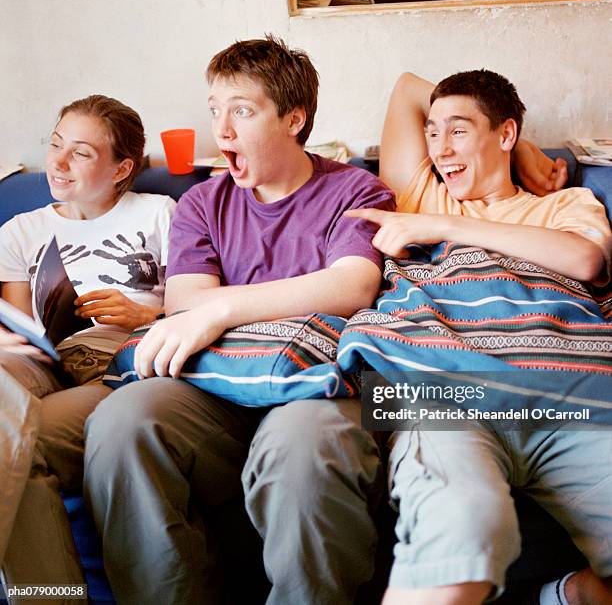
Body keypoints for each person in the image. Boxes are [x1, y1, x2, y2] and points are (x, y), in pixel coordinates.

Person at [82, 36, 395, 605]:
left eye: (242, 111)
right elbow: (183, 299)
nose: (221, 131)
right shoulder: (203, 201)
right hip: (218, 386)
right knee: (121, 422)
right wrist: (210, 308)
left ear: (294, 120)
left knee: (303, 451)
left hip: (318, 384)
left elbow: (352, 285)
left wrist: (225, 306)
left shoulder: (357, 189)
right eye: (214, 110)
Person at [347, 70, 612, 604]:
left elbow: (584, 259)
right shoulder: (419, 191)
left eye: (459, 132)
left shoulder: (566, 205)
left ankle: (570, 595)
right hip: (447, 395)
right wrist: (513, 142)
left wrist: (445, 227)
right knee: (463, 524)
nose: (442, 149)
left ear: (505, 134)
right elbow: (403, 88)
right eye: (434, 132)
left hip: (568, 398)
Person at [0, 95, 175, 594]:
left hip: (113, 363)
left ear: (123, 167)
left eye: (80, 152)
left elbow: (191, 306)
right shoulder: (21, 230)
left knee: (19, 441)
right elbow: (20, 326)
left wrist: (145, 314)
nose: (56, 163)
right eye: (55, 145)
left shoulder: (160, 213)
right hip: (40, 361)